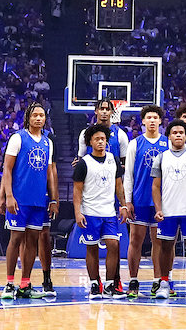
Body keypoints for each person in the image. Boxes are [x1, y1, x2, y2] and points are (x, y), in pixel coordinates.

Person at [0, 102, 58, 299]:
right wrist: (8, 195)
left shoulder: (48, 143)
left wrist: (53, 198)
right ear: (28, 118)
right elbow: (7, 169)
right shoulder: (18, 138)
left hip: (38, 200)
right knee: (15, 239)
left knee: (33, 240)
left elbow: (49, 173)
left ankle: (25, 284)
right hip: (19, 199)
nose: (38, 118)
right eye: (35, 115)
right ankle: (9, 284)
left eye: (41, 115)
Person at [151, 120, 186, 300]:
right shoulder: (161, 158)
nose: (178, 135)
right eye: (174, 132)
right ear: (169, 136)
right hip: (168, 210)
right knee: (166, 247)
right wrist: (158, 209)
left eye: (181, 132)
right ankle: (164, 282)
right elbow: (155, 187)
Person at [73, 124, 128, 299]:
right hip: (89, 211)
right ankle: (95, 284)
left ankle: (110, 284)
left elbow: (119, 185)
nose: (100, 142)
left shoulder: (114, 160)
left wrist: (123, 205)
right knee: (92, 248)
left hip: (109, 212)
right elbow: (77, 191)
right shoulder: (84, 163)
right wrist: (77, 212)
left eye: (103, 139)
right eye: (97, 139)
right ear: (90, 142)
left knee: (113, 245)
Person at [122, 104, 168, 298]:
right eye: (148, 117)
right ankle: (133, 280)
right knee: (135, 240)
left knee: (159, 242)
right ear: (143, 121)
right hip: (139, 199)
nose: (152, 120)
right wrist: (127, 201)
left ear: (160, 121)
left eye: (155, 117)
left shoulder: (168, 143)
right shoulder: (135, 144)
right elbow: (128, 175)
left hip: (162, 201)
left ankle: (158, 281)